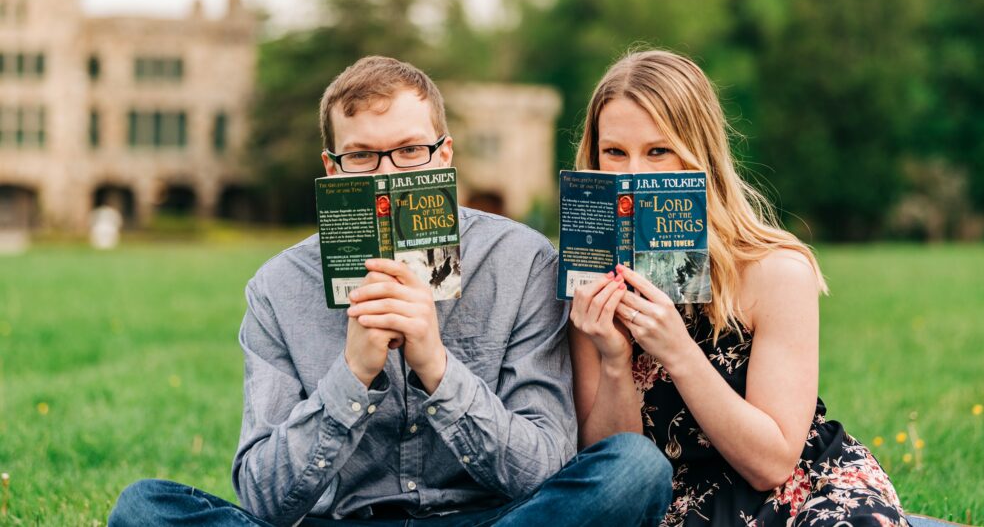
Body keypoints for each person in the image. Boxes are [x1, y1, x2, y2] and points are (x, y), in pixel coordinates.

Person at [109, 55, 671, 527]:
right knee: (144, 508)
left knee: (633, 468)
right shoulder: (278, 289)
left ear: (443, 156)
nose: (385, 177)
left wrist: (437, 366)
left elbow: (546, 468)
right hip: (345, 520)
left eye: (408, 150)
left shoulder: (520, 261)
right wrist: (350, 377)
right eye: (361, 157)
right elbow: (263, 498)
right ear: (333, 169)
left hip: (492, 519)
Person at [569, 50, 908, 527]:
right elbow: (611, 473)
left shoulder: (776, 271)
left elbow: (772, 464)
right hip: (673, 505)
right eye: (615, 152)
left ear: (698, 153)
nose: (634, 176)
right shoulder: (587, 280)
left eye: (658, 151)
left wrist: (679, 353)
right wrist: (614, 359)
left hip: (798, 492)